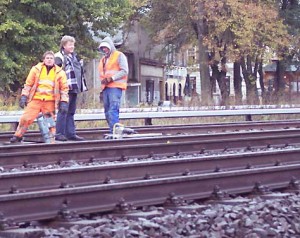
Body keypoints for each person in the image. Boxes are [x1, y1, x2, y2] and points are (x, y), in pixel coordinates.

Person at [10, 51, 69, 143]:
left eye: (51, 58)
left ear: (54, 60)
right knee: (25, 119)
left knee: (50, 123)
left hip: (50, 101)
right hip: (36, 100)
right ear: (43, 59)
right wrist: (24, 96)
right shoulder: (36, 69)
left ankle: (51, 141)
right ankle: (18, 136)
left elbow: (64, 89)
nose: (49, 60)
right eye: (47, 58)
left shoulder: (60, 73)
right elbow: (28, 84)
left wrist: (64, 102)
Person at [54, 35, 88, 141]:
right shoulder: (59, 57)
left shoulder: (74, 57)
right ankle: (59, 133)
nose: (72, 47)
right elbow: (56, 73)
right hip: (64, 89)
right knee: (63, 110)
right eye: (70, 44)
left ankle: (70, 133)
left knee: (71, 111)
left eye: (73, 44)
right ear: (64, 45)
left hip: (73, 87)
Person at [98, 36, 129, 133]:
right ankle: (114, 130)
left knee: (113, 109)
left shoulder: (119, 55)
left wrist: (112, 78)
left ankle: (115, 131)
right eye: (103, 48)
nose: (104, 49)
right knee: (107, 112)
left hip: (115, 87)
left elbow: (124, 71)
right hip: (106, 88)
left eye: (106, 47)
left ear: (110, 46)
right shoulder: (103, 60)